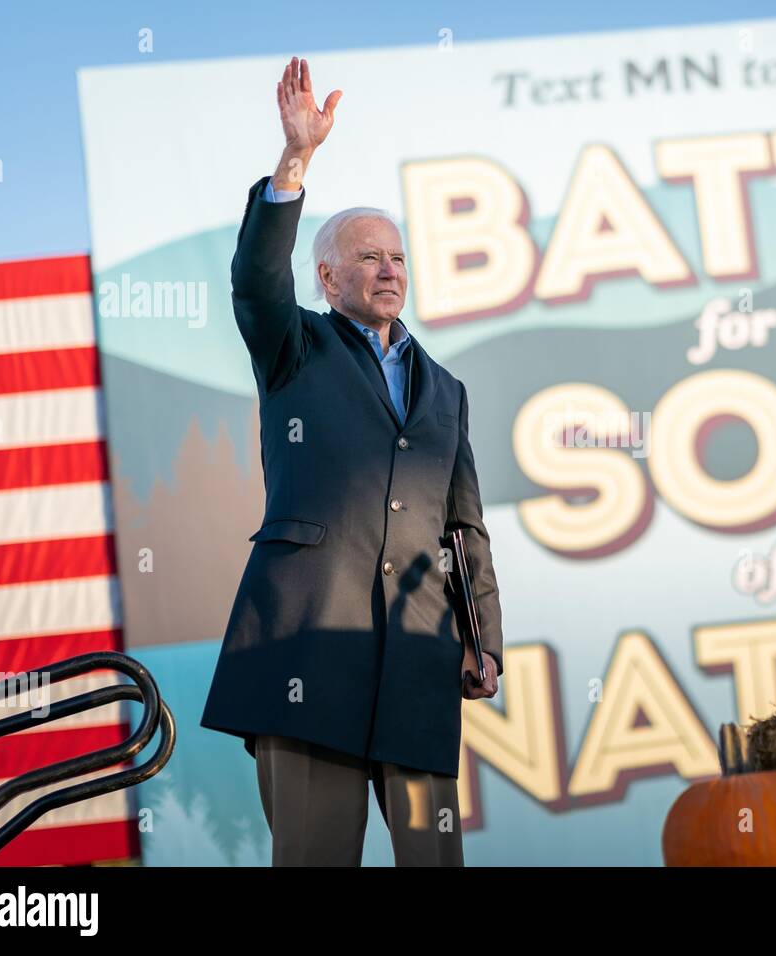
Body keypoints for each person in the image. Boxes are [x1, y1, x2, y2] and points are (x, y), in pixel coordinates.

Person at [199, 56, 503, 867]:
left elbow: (464, 531)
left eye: (398, 258)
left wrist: (484, 641)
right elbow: (256, 280)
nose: (388, 269)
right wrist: (295, 161)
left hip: (419, 660)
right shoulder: (294, 347)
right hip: (306, 656)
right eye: (368, 258)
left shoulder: (446, 391)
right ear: (328, 277)